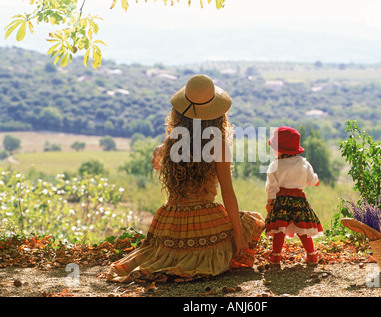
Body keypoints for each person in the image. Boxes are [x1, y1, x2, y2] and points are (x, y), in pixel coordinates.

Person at [107, 74, 265, 283]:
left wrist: (161, 149)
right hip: (205, 219)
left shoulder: (171, 141)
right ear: (217, 113)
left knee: (164, 253)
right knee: (252, 221)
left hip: (169, 223)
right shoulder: (218, 144)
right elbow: (227, 192)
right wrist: (237, 235)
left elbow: (160, 158)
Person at [264, 126, 323, 265]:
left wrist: (270, 203)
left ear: (279, 149)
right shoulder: (303, 163)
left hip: (281, 201)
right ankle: (312, 255)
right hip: (299, 200)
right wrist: (316, 182)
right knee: (302, 228)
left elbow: (271, 187)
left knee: (280, 229)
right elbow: (311, 180)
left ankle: (276, 257)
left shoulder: (275, 165)